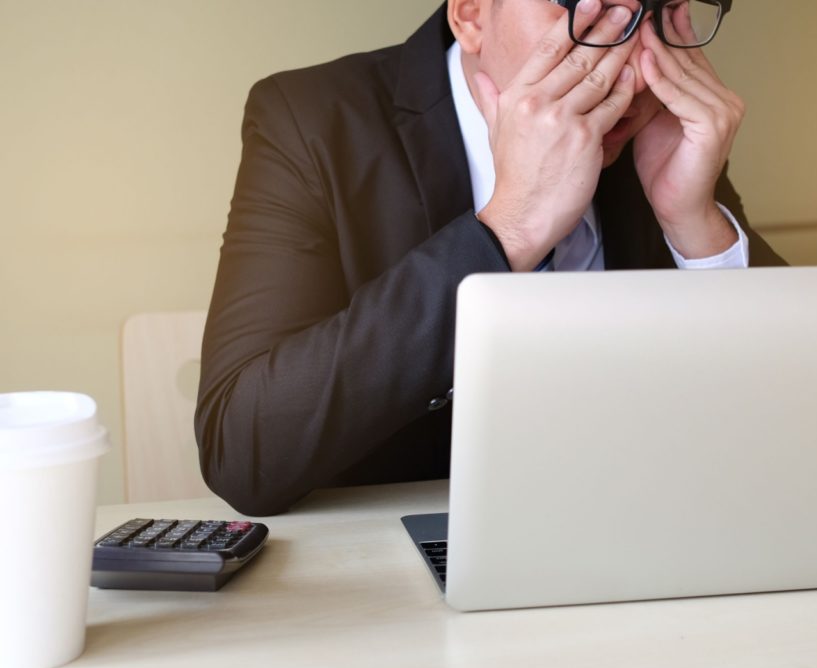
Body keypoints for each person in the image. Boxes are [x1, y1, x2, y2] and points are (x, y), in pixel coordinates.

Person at [196, 0, 785, 516]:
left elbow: (795, 434)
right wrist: (507, 230)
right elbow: (241, 449)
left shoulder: (664, 130)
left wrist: (696, 226)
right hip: (392, 591)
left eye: (658, 9)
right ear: (472, 13)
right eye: (587, 5)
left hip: (639, 553)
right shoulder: (312, 122)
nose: (631, 58)